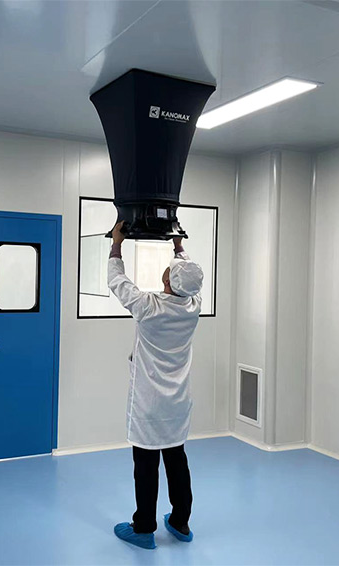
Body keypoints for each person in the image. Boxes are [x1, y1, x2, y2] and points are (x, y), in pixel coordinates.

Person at [107, 221, 204, 550]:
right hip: (177, 403)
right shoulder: (193, 306)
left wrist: (117, 244)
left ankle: (144, 528)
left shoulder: (148, 307)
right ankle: (180, 522)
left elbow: (117, 281)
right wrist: (178, 246)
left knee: (146, 465)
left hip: (149, 404)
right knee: (177, 460)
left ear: (167, 280)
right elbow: (188, 278)